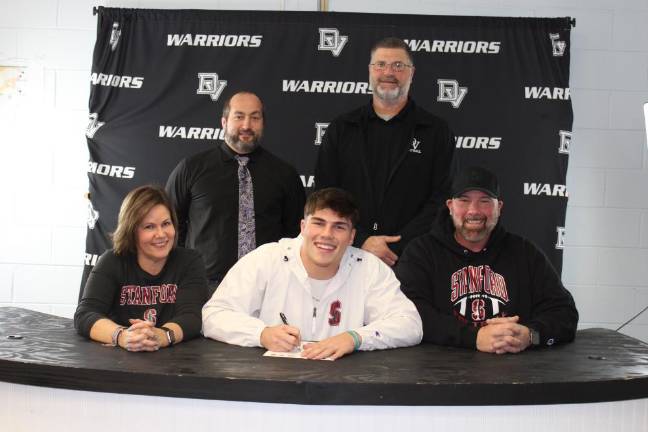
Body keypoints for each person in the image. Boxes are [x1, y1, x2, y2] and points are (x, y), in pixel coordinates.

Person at [202, 188, 422, 360]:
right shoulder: (267, 259)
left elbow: (410, 324)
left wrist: (355, 338)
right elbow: (213, 315)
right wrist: (261, 334)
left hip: (342, 389)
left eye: (339, 227)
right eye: (318, 223)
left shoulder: (369, 268)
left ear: (352, 236)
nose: (327, 235)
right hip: (271, 384)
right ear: (303, 226)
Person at [395, 166, 578, 354]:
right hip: (439, 374)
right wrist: (474, 337)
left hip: (515, 375)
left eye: (484, 201)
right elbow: (408, 313)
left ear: (499, 207)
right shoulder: (422, 252)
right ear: (450, 206)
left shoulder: (524, 252)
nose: (474, 211)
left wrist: (530, 335)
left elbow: (565, 313)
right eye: (464, 201)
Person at [315, 37, 456, 267]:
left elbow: (442, 200)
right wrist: (361, 240)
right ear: (370, 70)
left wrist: (397, 245)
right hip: (348, 256)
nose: (388, 72)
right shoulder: (342, 129)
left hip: (414, 260)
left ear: (412, 73)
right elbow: (324, 193)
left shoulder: (436, 132)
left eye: (398, 66)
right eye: (380, 64)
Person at [166, 91, 305, 295]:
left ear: (263, 123)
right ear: (224, 121)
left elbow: (296, 236)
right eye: (239, 116)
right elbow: (170, 226)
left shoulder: (285, 174)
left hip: (268, 287)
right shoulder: (191, 169)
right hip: (205, 287)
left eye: (255, 117)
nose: (247, 125)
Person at [74, 185, 207, 352]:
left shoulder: (189, 261)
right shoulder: (112, 261)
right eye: (149, 227)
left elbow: (192, 316)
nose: (161, 234)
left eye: (166, 223)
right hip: (119, 363)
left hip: (175, 364)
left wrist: (162, 336)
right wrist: (123, 336)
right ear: (131, 231)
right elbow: (85, 314)